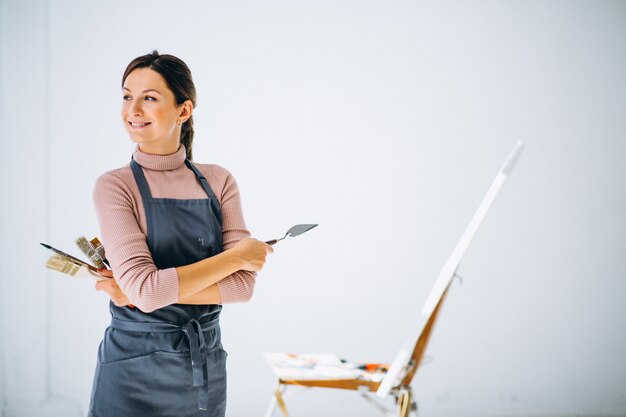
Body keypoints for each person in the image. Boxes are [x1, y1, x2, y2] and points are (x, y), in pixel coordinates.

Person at [88, 50, 273, 417]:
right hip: (130, 372)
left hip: (203, 372)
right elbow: (146, 290)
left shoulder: (218, 181)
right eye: (127, 96)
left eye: (150, 98)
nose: (133, 110)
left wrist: (146, 292)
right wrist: (236, 257)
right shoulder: (114, 186)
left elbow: (242, 288)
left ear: (183, 110)